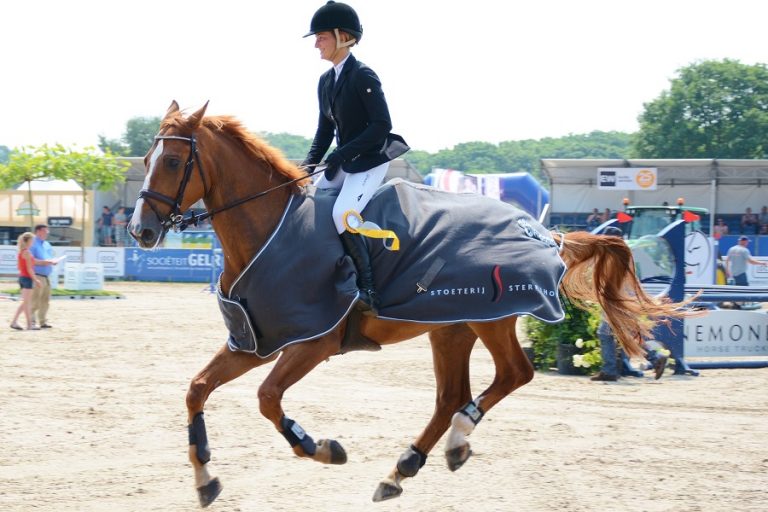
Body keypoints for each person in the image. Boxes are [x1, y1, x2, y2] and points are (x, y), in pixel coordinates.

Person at [301, 1, 409, 315]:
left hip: (370, 160)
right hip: (344, 161)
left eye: (321, 37)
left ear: (342, 36)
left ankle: (367, 288)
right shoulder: (325, 82)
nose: (317, 44)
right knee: (310, 209)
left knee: (342, 214)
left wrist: (342, 154)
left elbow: (381, 125)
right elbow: (324, 131)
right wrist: (308, 165)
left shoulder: (363, 75)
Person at [590, 227, 668, 382]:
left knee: (605, 333)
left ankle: (610, 370)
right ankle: (655, 358)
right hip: (627, 298)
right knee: (627, 335)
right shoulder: (625, 253)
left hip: (618, 300)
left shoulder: (613, 254)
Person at [29, 224, 61, 329]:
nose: (47, 233)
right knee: (35, 300)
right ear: (38, 231)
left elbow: (49, 257)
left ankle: (42, 321)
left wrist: (53, 261)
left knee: (45, 300)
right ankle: (31, 321)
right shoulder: (32, 243)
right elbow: (31, 260)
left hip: (46, 276)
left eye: (47, 231)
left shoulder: (47, 244)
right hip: (37, 275)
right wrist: (45, 262)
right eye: (45, 230)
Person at [10, 232, 41, 331]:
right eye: (32, 240)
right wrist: (36, 280)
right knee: (27, 303)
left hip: (22, 278)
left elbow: (19, 267)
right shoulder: (27, 252)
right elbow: (29, 269)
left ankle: (16, 322)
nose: (33, 242)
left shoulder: (21, 252)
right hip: (27, 278)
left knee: (25, 303)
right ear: (28, 241)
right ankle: (28, 325)